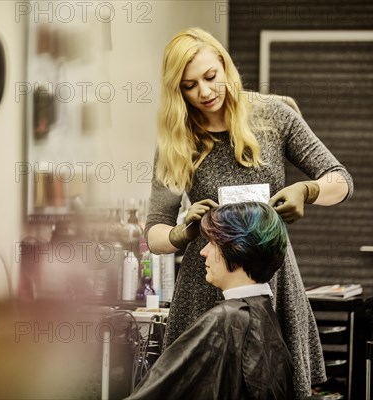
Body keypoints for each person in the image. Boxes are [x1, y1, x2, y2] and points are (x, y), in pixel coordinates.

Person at [145, 27, 353, 398]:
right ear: (177, 90)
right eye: (190, 86)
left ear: (225, 66)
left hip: (270, 277)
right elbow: (154, 235)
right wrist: (182, 233)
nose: (205, 92)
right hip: (205, 282)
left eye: (211, 77)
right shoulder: (179, 140)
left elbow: (340, 179)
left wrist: (309, 189)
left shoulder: (274, 115)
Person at [127, 202, 295, 399]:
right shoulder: (264, 310)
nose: (203, 251)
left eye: (213, 243)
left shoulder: (226, 320)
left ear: (236, 248)